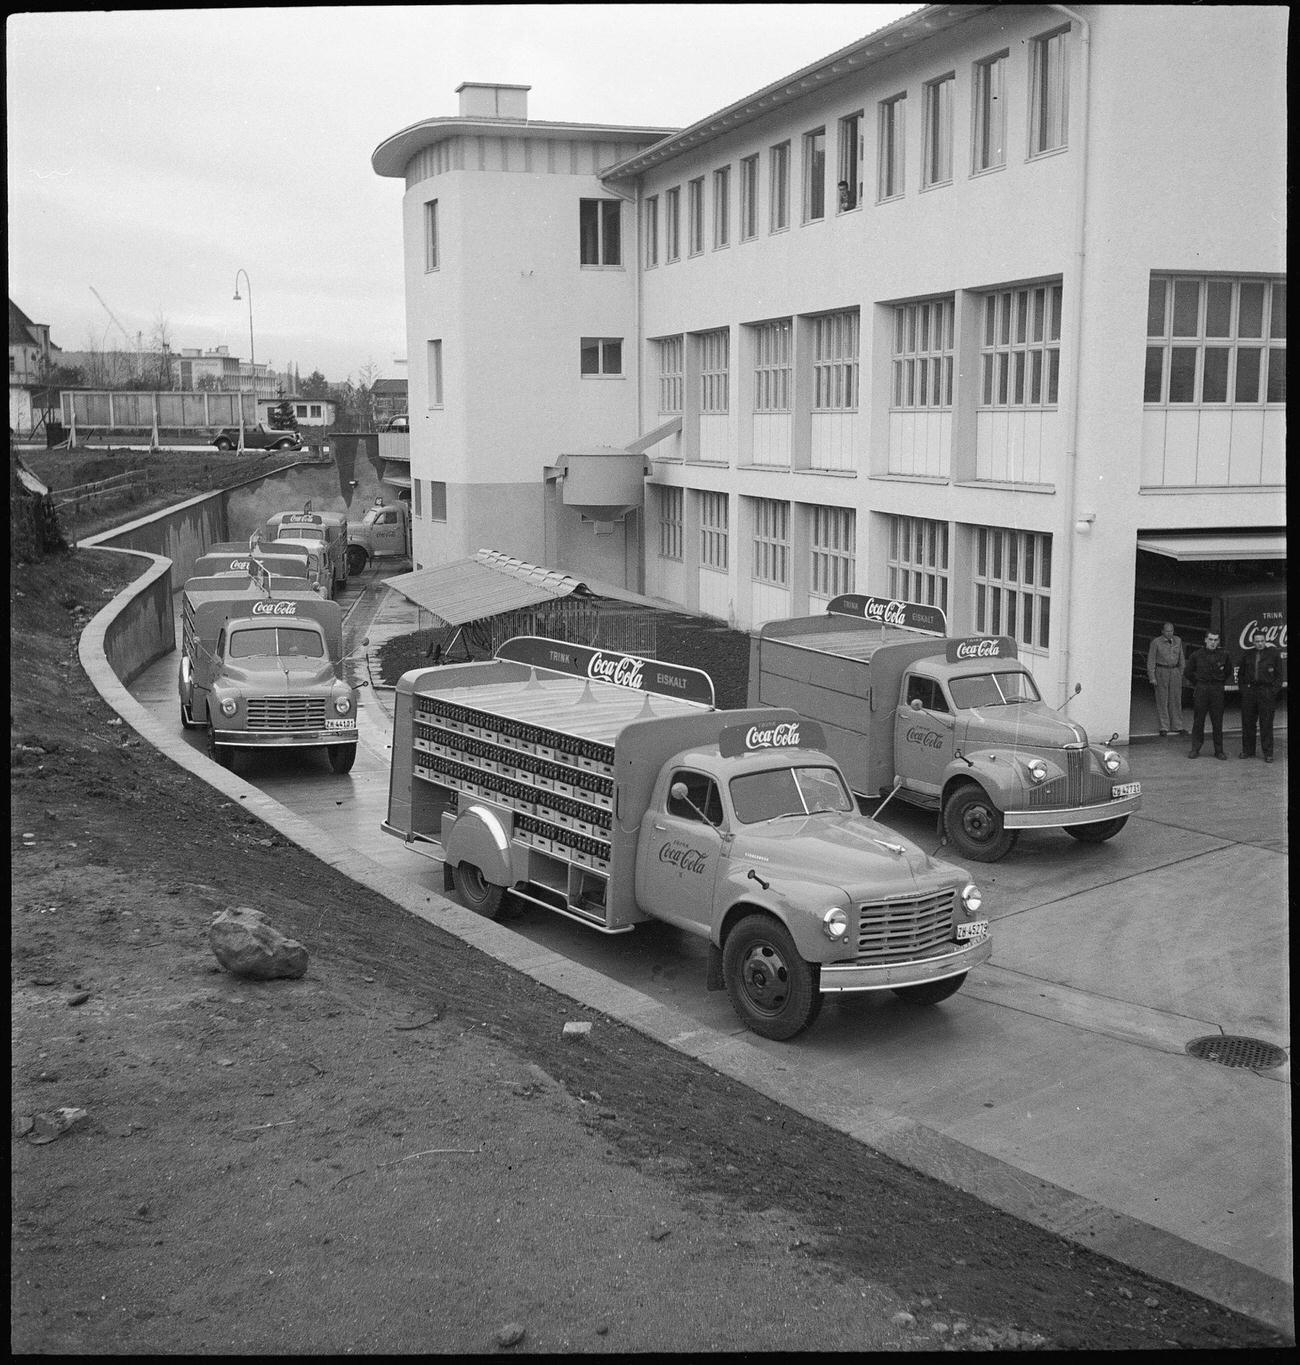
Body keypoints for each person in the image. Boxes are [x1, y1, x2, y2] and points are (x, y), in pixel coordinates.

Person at [1236, 626, 1283, 763]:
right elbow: (1241, 675)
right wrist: (1244, 690)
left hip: (1266, 692)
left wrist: (1273, 691)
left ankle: (1268, 753)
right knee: (1248, 723)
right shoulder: (1247, 654)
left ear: (1265, 640)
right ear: (1253, 642)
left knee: (1266, 723)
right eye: (1257, 641)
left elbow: (1279, 676)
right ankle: (1248, 751)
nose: (1259, 643)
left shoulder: (1273, 654)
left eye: (1262, 640)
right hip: (1250, 692)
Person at [1183, 631, 1232, 759]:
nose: (1213, 642)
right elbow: (1188, 672)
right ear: (1205, 640)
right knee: (1198, 721)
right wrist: (1198, 682)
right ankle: (1195, 749)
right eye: (1210, 639)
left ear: (1219, 641)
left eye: (1215, 640)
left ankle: (1219, 751)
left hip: (1217, 689)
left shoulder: (1224, 655)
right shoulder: (1196, 655)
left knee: (1217, 721)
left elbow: (1228, 671)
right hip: (1202, 689)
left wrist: (1219, 682)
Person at [1146, 621, 1186, 736]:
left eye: (1171, 631)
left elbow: (1181, 657)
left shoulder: (1178, 640)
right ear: (1162, 631)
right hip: (1161, 670)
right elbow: (1151, 660)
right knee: (1162, 700)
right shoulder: (1156, 642)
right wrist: (1152, 676)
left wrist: (1181, 671)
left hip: (1174, 671)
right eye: (1167, 631)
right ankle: (1164, 726)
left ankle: (1177, 725)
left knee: (1176, 699)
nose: (1170, 633)